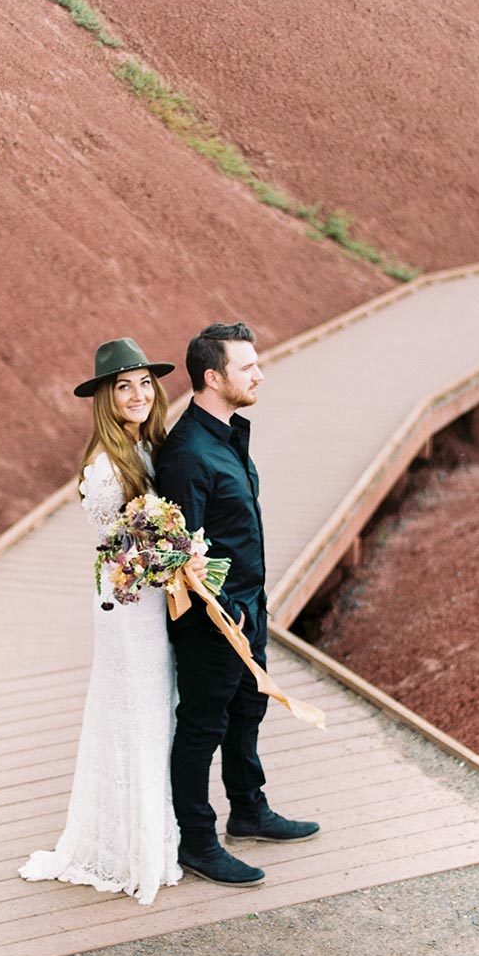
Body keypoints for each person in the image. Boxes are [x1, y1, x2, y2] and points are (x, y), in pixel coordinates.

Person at [19, 337, 198, 905]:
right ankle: (129, 852)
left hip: (150, 599)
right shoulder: (103, 468)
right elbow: (117, 552)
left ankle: (154, 838)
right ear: (105, 397)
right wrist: (171, 554)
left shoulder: (149, 448)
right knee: (135, 714)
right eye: (124, 386)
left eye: (146, 383)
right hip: (126, 606)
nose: (139, 394)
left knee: (156, 711)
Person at [155, 322, 320, 888]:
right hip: (213, 617)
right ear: (212, 377)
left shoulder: (226, 436)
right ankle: (196, 841)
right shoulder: (186, 453)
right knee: (202, 725)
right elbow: (184, 553)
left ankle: (248, 810)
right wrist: (224, 611)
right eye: (247, 366)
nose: (259, 374)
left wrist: (252, 605)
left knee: (249, 708)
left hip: (249, 604)